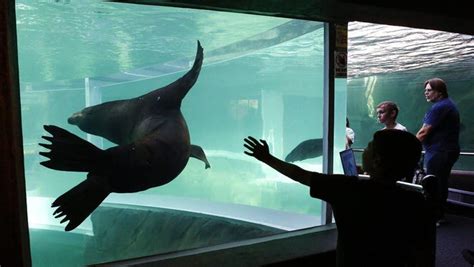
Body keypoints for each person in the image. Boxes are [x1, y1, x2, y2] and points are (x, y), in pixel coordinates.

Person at [244, 130, 435, 266]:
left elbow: (299, 174)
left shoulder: (346, 188)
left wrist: (266, 158)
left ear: (377, 160)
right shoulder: (416, 201)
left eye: (369, 147)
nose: (363, 150)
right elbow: (425, 251)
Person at [416, 77, 460, 224]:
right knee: (441, 182)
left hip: (439, 152)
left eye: (429, 90)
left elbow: (423, 132)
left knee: (434, 184)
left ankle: (435, 216)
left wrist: (409, 146)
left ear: (439, 92)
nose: (426, 93)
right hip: (446, 151)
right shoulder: (449, 105)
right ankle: (439, 214)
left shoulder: (439, 107)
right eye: (425, 90)